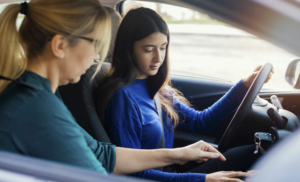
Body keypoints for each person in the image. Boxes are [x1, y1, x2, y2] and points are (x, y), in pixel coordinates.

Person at [0, 0, 231, 176]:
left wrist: (179, 155)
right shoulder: (36, 108)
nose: (98, 56)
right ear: (60, 45)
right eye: (96, 45)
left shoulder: (39, 96)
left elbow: (102, 155)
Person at [97, 7, 273, 182]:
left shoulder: (156, 87)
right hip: (159, 178)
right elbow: (131, 174)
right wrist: (202, 179)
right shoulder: (123, 98)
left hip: (171, 174)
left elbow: (200, 122)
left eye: (163, 47)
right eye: (149, 49)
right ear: (129, 49)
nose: (158, 58)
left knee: (256, 152)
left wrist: (244, 85)